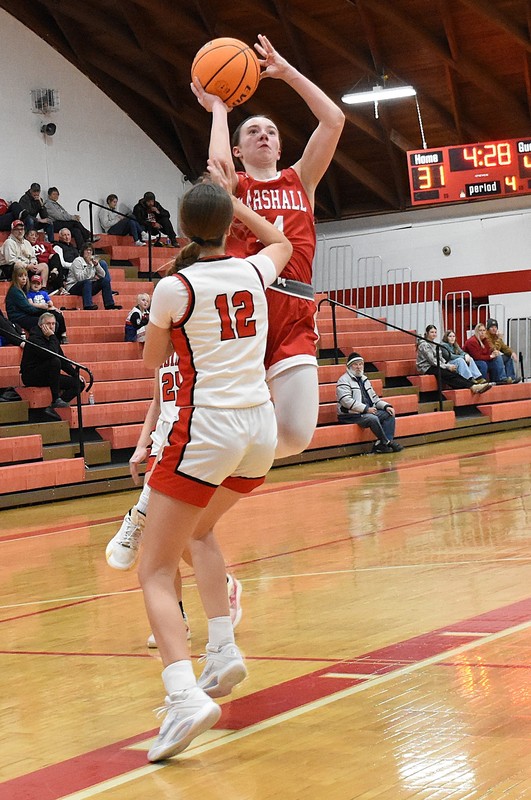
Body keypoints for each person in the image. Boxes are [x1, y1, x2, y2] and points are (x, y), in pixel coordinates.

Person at [137, 168, 292, 761]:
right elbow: (280, 241)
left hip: (207, 428)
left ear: (181, 228)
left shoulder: (174, 288)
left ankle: (183, 696)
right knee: (198, 533)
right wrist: (236, 204)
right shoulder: (253, 269)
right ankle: (222, 650)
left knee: (154, 570)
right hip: (259, 428)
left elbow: (153, 361)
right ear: (229, 225)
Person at [192, 33, 345, 459]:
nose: (264, 135)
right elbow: (218, 168)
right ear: (239, 150)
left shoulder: (302, 179)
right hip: (245, 308)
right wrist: (219, 108)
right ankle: (210, 466)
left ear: (280, 146)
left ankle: (224, 462)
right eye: (253, 131)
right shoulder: (233, 185)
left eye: (271, 131)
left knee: (296, 436)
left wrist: (287, 72)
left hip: (294, 310)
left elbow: (334, 120)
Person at [104, 352, 243, 646]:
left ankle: (221, 582)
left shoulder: (198, 344)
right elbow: (157, 402)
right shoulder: (161, 351)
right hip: (161, 446)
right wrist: (141, 445)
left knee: (178, 538)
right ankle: (178, 617)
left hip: (190, 444)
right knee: (159, 540)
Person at [336, 352, 403, 453]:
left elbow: (374, 398)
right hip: (350, 415)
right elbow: (346, 401)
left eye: (360, 364)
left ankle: (382, 445)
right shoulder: (343, 380)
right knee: (372, 418)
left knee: (389, 414)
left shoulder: (365, 379)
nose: (358, 367)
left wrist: (386, 406)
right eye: (355, 364)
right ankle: (387, 442)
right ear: (349, 366)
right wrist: (366, 409)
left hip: (366, 412)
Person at [20, 312, 83, 411]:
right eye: (48, 324)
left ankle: (57, 405)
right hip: (32, 375)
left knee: (79, 383)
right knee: (54, 361)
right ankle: (55, 399)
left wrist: (75, 374)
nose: (51, 326)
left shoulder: (52, 338)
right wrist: (52, 337)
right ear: (41, 326)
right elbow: (51, 354)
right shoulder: (34, 338)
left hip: (49, 374)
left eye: (53, 324)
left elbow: (62, 359)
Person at [417, 324, 493, 394]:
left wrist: (447, 365)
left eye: (435, 332)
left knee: (454, 373)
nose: (434, 334)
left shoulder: (434, 344)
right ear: (427, 333)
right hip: (427, 367)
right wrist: (447, 366)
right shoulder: (424, 345)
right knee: (448, 374)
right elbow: (433, 361)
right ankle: (472, 386)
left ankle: (473, 385)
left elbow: (440, 358)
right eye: (431, 332)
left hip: (436, 365)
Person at [5, 265, 66, 339]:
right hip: (19, 318)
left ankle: (61, 337)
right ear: (15, 278)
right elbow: (29, 308)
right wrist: (46, 309)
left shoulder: (23, 290)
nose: (24, 278)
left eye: (25, 276)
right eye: (20, 276)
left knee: (56, 315)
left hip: (27, 314)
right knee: (47, 321)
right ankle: (51, 341)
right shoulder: (15, 291)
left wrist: (52, 309)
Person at [65, 242, 122, 311]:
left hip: (88, 286)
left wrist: (96, 265)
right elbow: (80, 278)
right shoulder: (78, 261)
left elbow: (103, 275)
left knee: (105, 281)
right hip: (73, 286)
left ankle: (109, 305)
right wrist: (89, 266)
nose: (88, 252)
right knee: (87, 282)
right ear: (83, 251)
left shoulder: (92, 261)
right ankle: (88, 305)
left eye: (90, 250)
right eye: (87, 250)